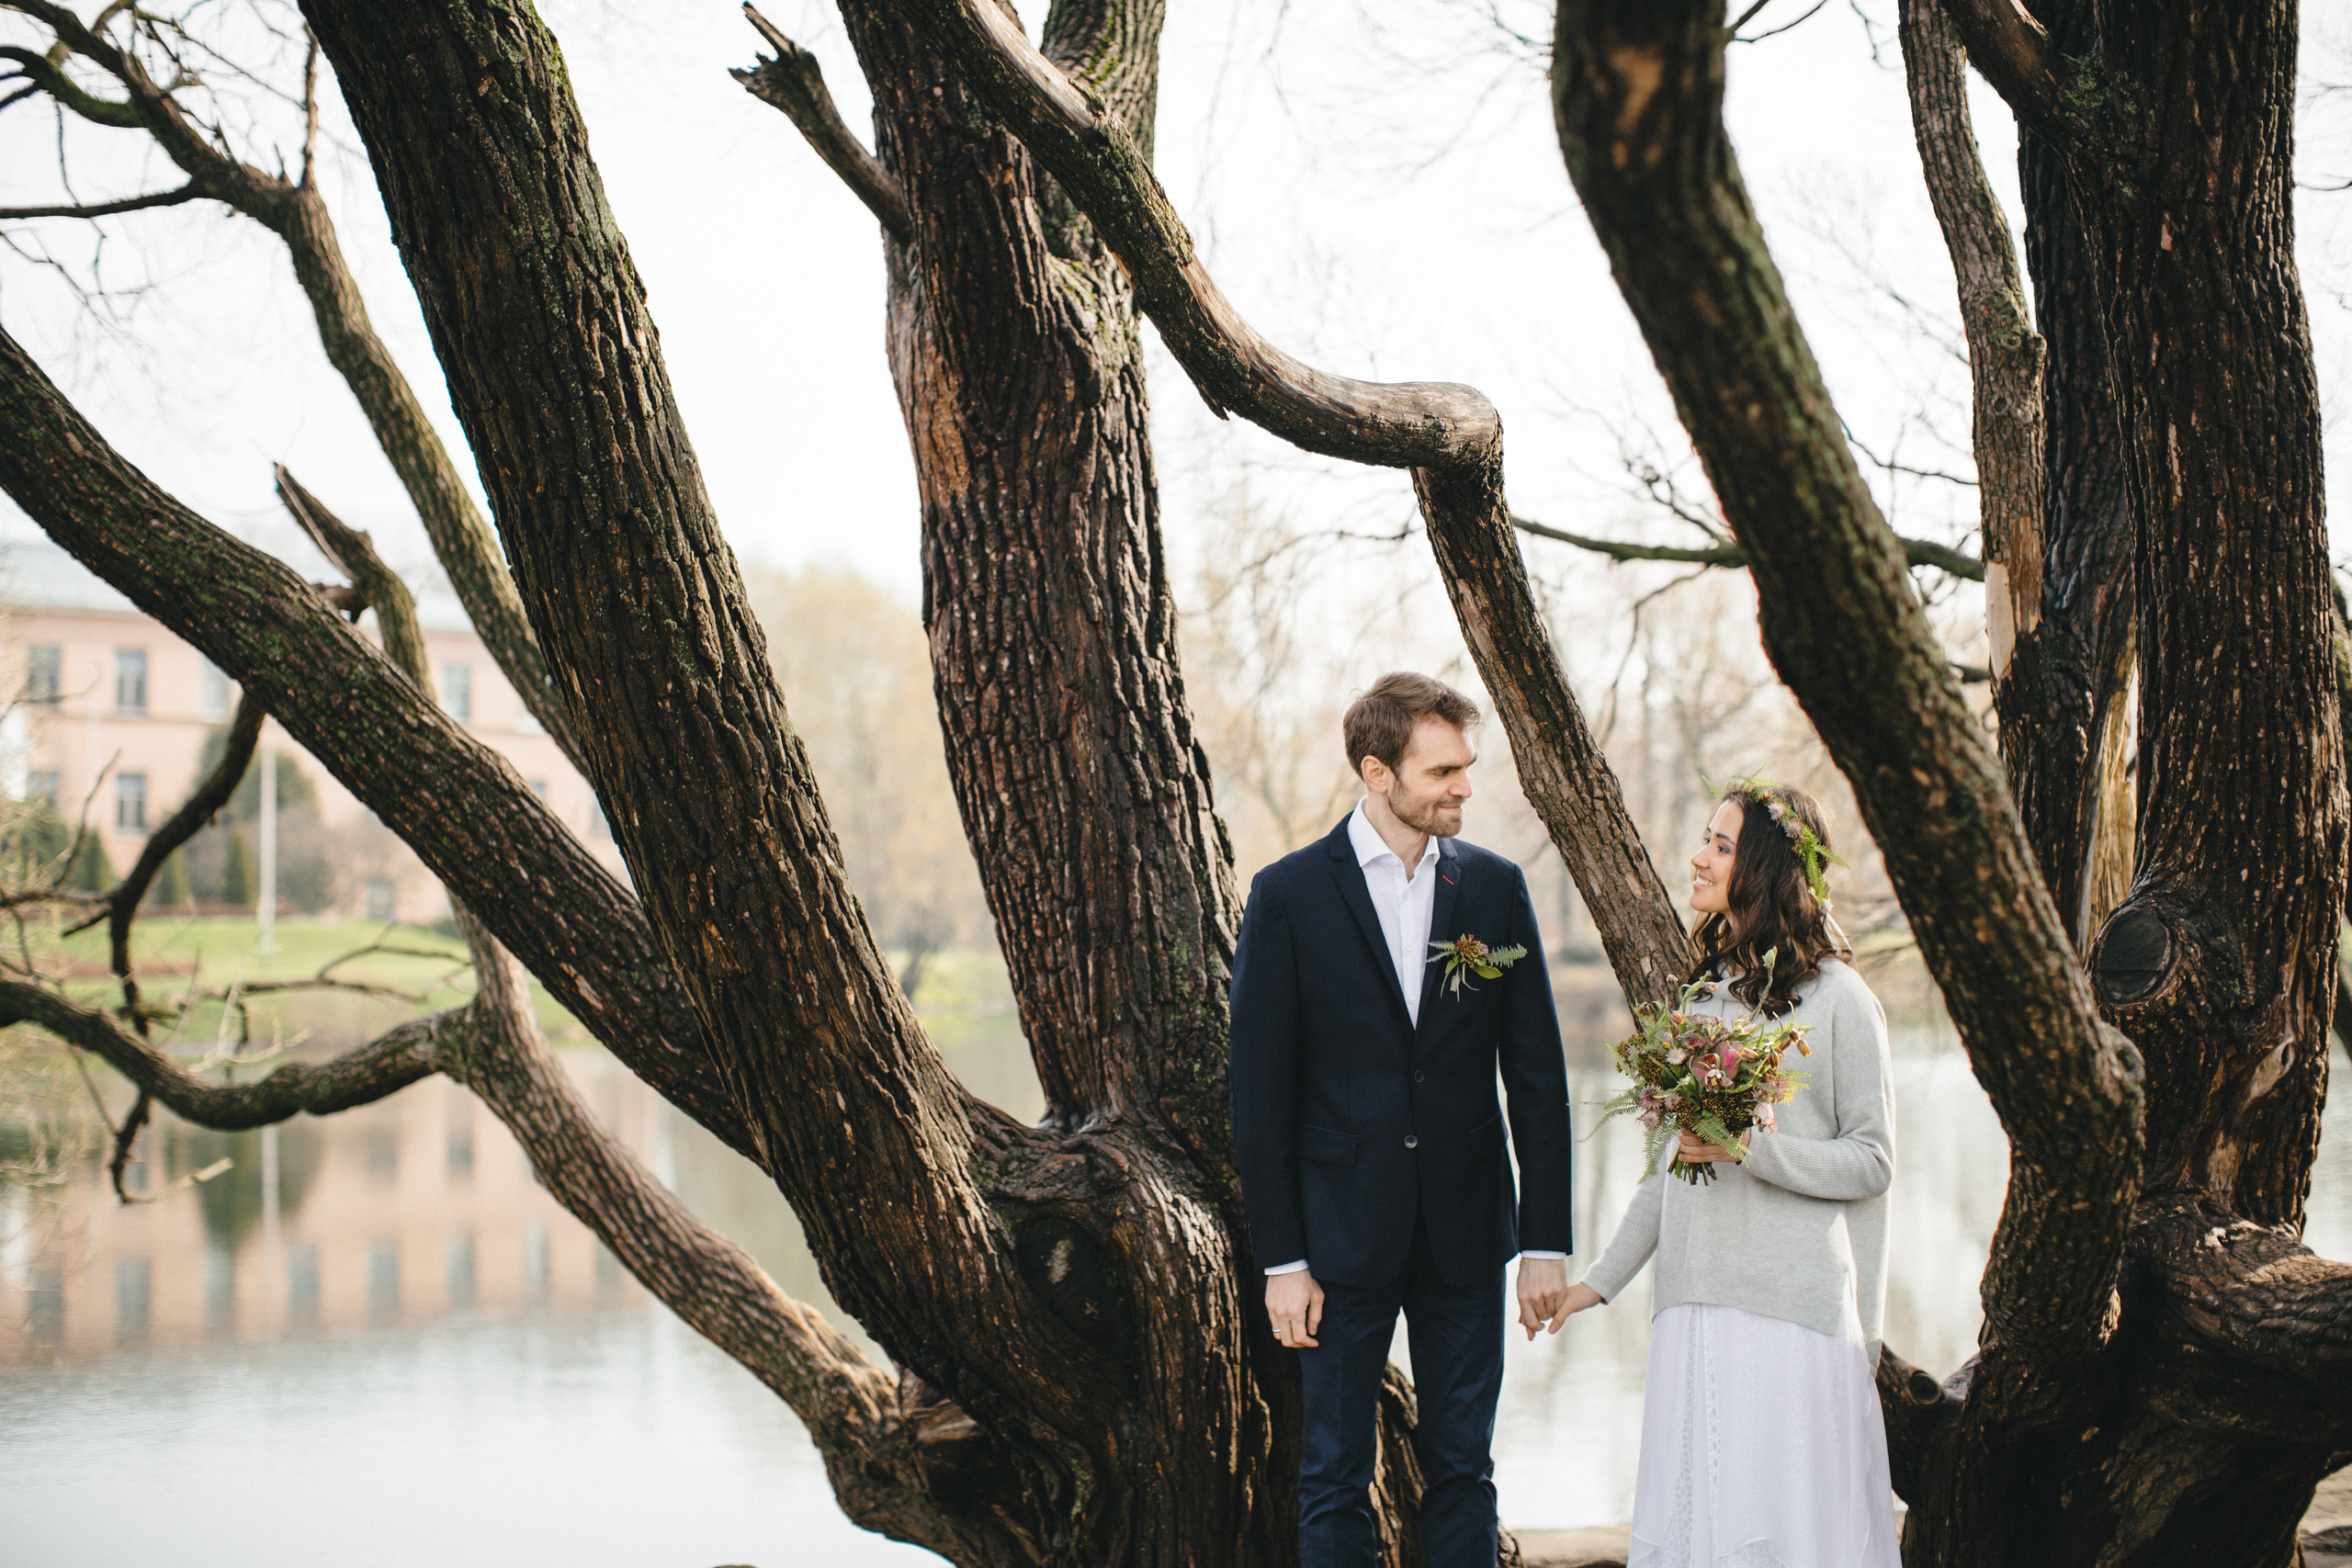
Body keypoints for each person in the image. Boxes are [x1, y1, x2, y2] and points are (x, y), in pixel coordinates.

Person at [1228, 671, 1576, 1568]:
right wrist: (1283, 1259)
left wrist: (1545, 1239)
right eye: (1443, 771)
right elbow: (1259, 1097)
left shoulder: (1494, 890)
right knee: (1332, 1474)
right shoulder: (1290, 897)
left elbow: (1535, 1077)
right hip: (1337, 1246)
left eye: (1465, 767)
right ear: (1377, 773)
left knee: (1465, 1468)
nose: (1463, 786)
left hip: (1466, 1234)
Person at [1555, 780, 1900, 1568]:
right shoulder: (1703, 1003)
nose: (1698, 857)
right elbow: (1669, 1174)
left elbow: (1873, 1162)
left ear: (1767, 868)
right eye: (1705, 839)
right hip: (1694, 1308)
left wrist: (1754, 1148)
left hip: (1791, 1316)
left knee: (1788, 1539)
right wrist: (1596, 1283)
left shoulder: (1843, 1000)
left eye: (1720, 843)